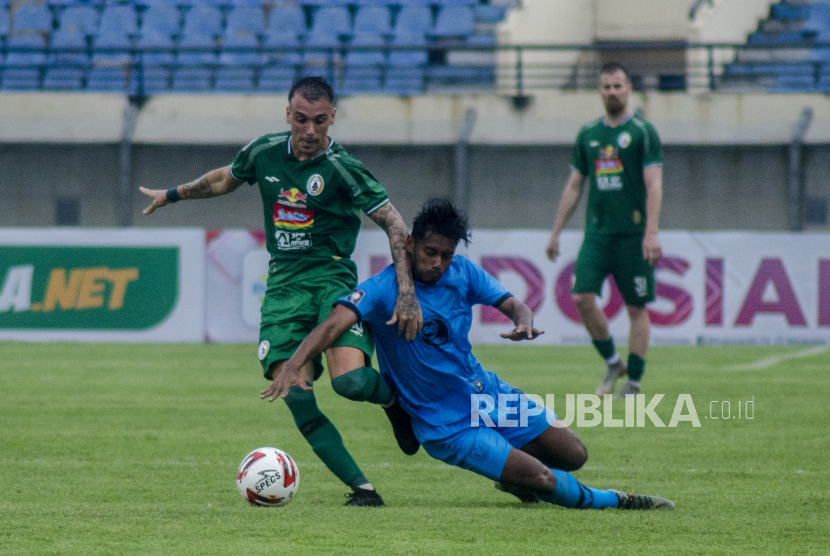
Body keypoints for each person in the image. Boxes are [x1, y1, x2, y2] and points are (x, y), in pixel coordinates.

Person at [265, 199, 675, 511]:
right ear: (408, 244)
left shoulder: (462, 272)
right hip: (447, 427)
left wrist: (524, 319)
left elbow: (512, 302)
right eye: (430, 253)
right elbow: (335, 323)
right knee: (546, 479)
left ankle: (512, 477)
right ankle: (619, 501)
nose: (439, 263)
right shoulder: (382, 288)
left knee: (574, 454)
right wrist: (297, 363)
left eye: (446, 254)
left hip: (488, 396)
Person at [140, 76, 423, 507]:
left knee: (350, 383)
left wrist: (406, 293)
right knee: (296, 394)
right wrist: (172, 194)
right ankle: (363, 489)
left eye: (320, 121)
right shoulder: (264, 151)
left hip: (332, 280)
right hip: (283, 286)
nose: (310, 132)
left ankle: (393, 401)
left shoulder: (345, 167)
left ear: (333, 119)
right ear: (287, 114)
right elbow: (222, 180)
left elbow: (396, 225)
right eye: (301, 119)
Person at [545, 62, 664, 399]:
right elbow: (574, 186)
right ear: (599, 90)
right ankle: (613, 362)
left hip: (633, 235)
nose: (612, 92)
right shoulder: (588, 134)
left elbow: (654, 185)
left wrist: (651, 232)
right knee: (581, 297)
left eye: (618, 86)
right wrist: (555, 232)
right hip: (597, 235)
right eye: (607, 87)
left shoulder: (643, 132)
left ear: (629, 89)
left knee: (636, 308)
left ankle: (635, 383)